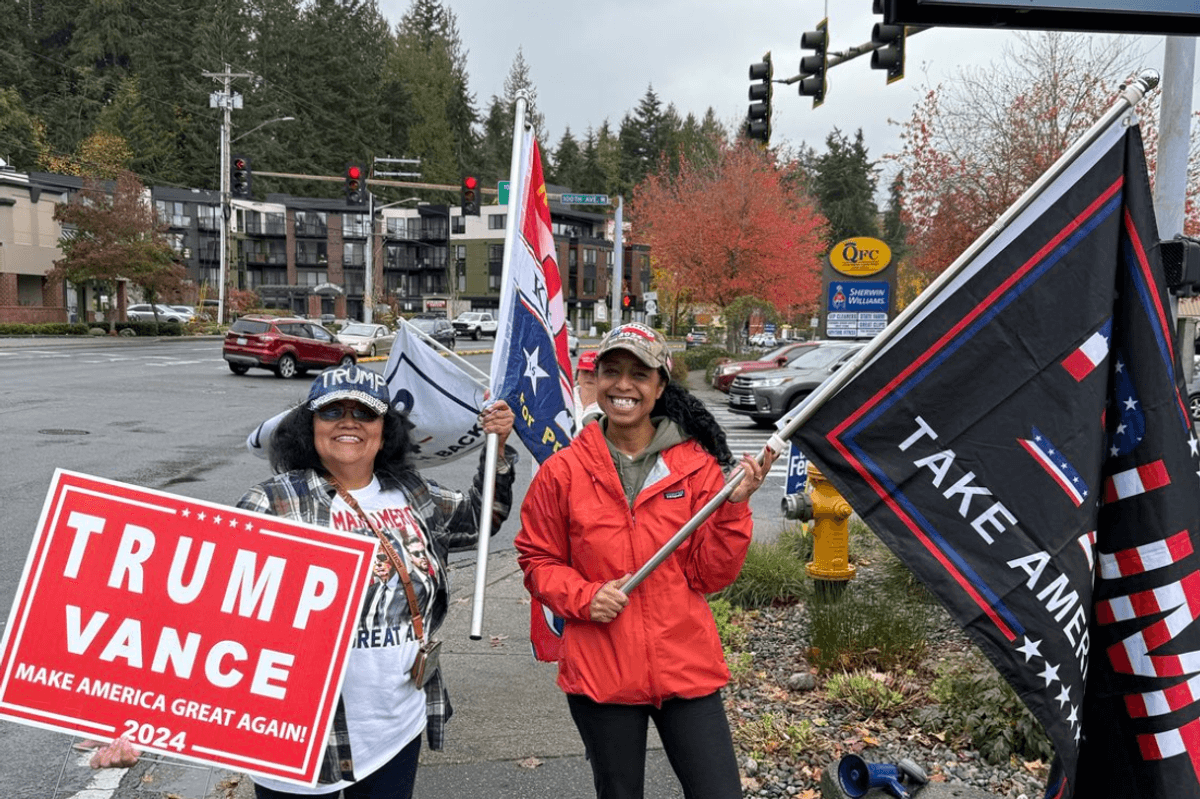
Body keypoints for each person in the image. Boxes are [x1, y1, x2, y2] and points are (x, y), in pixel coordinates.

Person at [91, 363, 518, 799]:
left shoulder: (414, 494)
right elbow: (201, 613)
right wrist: (135, 722)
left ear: (384, 429)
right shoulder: (272, 503)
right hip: (299, 740)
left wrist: (497, 448)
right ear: (309, 426)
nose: (349, 421)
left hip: (395, 728)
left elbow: (482, 520)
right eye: (332, 412)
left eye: (365, 413)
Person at [514, 323, 777, 799]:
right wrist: (585, 596)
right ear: (594, 384)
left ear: (659, 386)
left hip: (685, 666)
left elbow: (709, 574)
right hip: (601, 673)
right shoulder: (563, 472)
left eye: (640, 374)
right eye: (611, 372)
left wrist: (733, 507)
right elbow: (537, 559)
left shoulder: (694, 466)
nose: (623, 385)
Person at [573, 349, 601, 425]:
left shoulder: (609, 406)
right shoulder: (564, 398)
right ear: (577, 374)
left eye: (594, 372)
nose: (589, 376)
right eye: (585, 371)